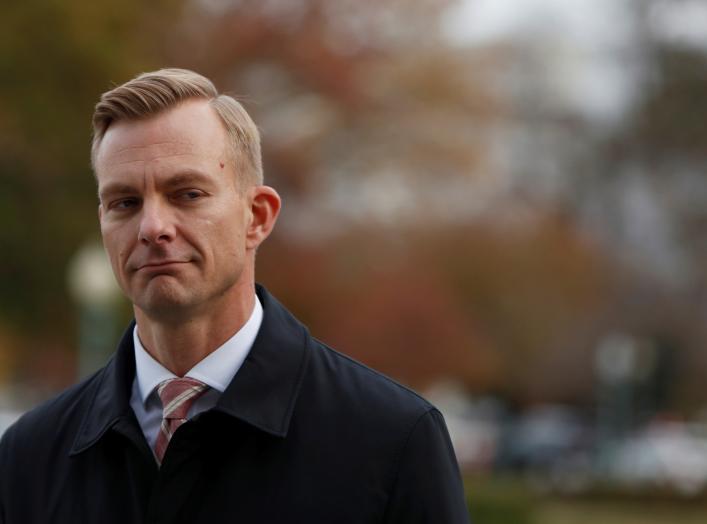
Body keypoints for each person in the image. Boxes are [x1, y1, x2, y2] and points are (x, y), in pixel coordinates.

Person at [0, 69, 470, 523]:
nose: (152, 227)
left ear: (258, 216)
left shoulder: (392, 441)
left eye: (187, 194)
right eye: (125, 202)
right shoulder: (28, 457)